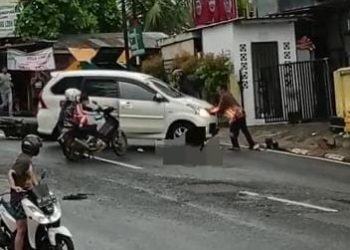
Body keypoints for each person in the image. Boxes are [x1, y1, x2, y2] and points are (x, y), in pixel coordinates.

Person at [8, 134, 42, 250]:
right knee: (21, 229)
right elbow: (11, 173)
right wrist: (14, 186)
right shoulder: (24, 161)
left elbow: (31, 177)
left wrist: (39, 188)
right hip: (19, 197)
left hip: (27, 195)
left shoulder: (27, 159)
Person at [207, 84, 259, 151]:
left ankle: (236, 146)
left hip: (235, 116)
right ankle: (251, 144)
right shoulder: (229, 94)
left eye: (219, 90)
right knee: (244, 130)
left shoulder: (224, 96)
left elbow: (220, 108)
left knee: (232, 131)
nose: (218, 91)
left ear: (222, 90)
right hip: (241, 113)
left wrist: (210, 111)